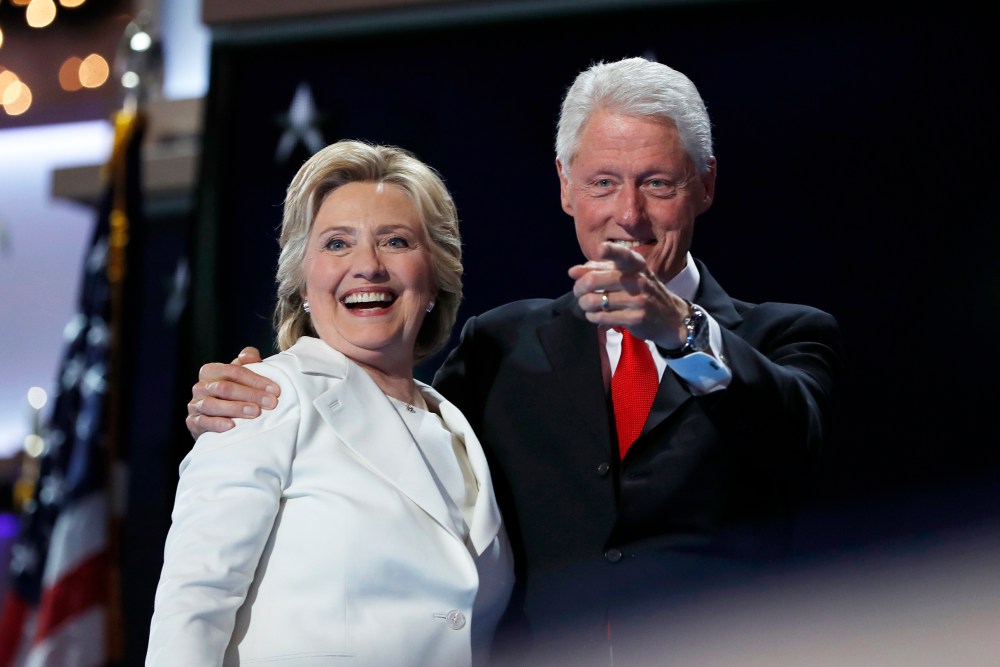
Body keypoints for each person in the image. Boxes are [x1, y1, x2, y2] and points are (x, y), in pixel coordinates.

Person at [186, 57, 843, 664]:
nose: (629, 213)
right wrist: (253, 400)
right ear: (565, 187)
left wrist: (681, 332)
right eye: (604, 183)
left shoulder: (784, 337)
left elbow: (794, 438)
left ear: (705, 184)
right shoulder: (499, 345)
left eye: (658, 183)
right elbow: (390, 450)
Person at [147, 140, 514, 666]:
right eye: (338, 244)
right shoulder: (265, 398)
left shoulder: (459, 428)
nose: (367, 266)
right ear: (301, 281)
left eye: (395, 241)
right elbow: (192, 607)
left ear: (435, 277)